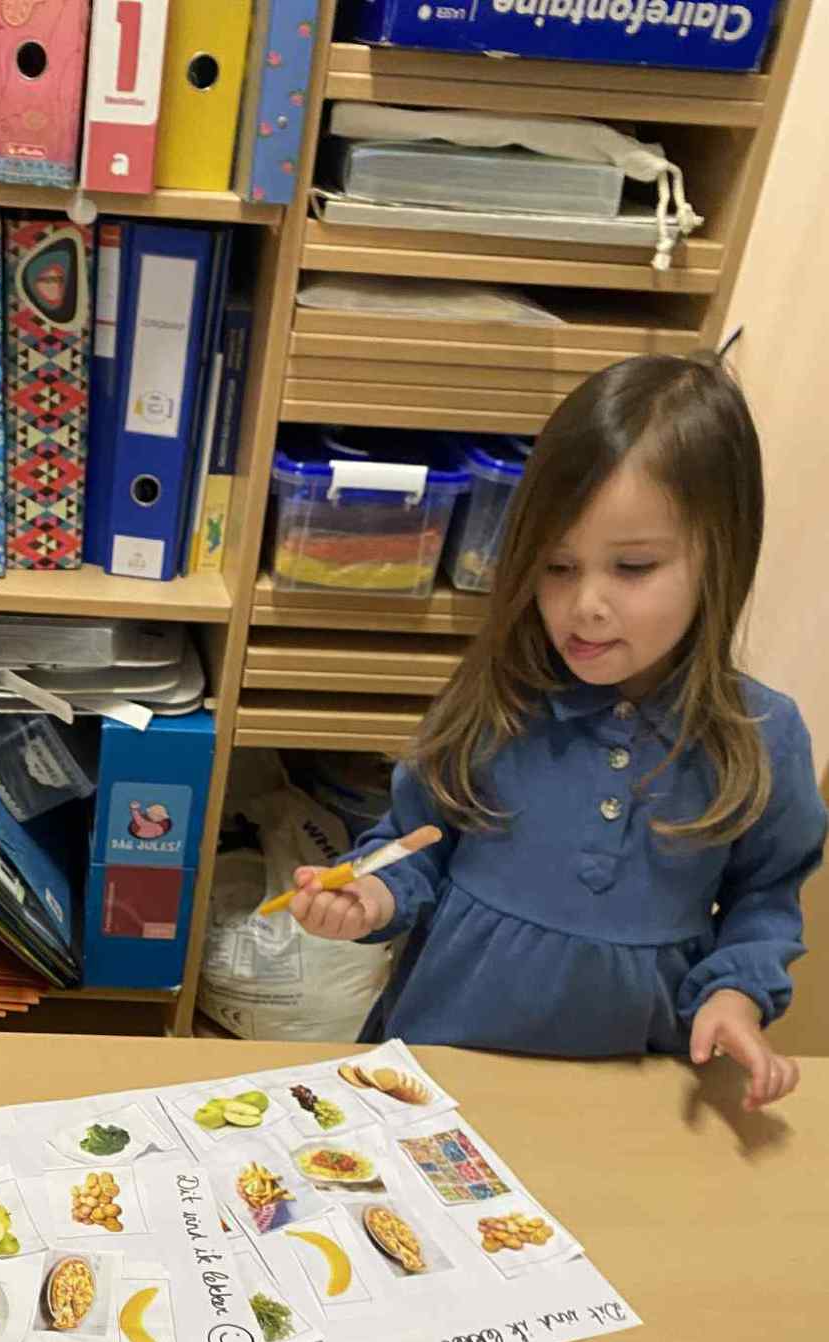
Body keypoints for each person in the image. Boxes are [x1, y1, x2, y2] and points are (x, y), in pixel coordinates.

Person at [289, 355, 826, 1112]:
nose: (585, 605)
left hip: (635, 1090)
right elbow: (413, 844)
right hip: (439, 1069)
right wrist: (371, 894)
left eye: (632, 567)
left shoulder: (764, 736)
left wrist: (736, 994)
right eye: (557, 566)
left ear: (722, 557)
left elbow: (765, 899)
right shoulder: (494, 698)